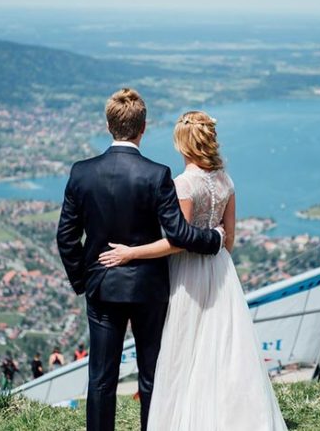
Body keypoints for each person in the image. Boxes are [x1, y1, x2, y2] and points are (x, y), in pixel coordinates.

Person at [99, 111, 287, 430]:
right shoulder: (226, 181)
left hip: (187, 272)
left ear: (184, 145)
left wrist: (132, 253)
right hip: (219, 269)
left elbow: (178, 241)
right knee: (221, 347)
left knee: (184, 346)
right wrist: (214, 259)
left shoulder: (184, 184)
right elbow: (228, 240)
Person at [57, 89, 223, 431]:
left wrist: (82, 280)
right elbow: (179, 234)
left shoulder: (81, 172)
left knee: (102, 377)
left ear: (108, 125)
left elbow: (66, 236)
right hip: (149, 288)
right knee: (151, 375)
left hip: (101, 287)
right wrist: (215, 239)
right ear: (143, 127)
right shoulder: (156, 174)